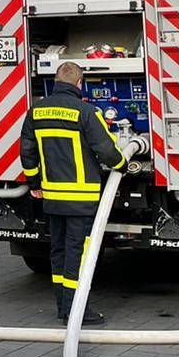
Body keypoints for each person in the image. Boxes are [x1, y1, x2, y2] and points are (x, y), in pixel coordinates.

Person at [20, 61, 126, 327]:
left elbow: (28, 152)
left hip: (52, 198)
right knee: (78, 255)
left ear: (56, 81)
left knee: (58, 252)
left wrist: (34, 184)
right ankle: (77, 311)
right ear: (79, 83)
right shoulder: (86, 112)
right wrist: (122, 165)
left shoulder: (36, 111)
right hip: (81, 200)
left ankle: (63, 307)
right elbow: (107, 150)